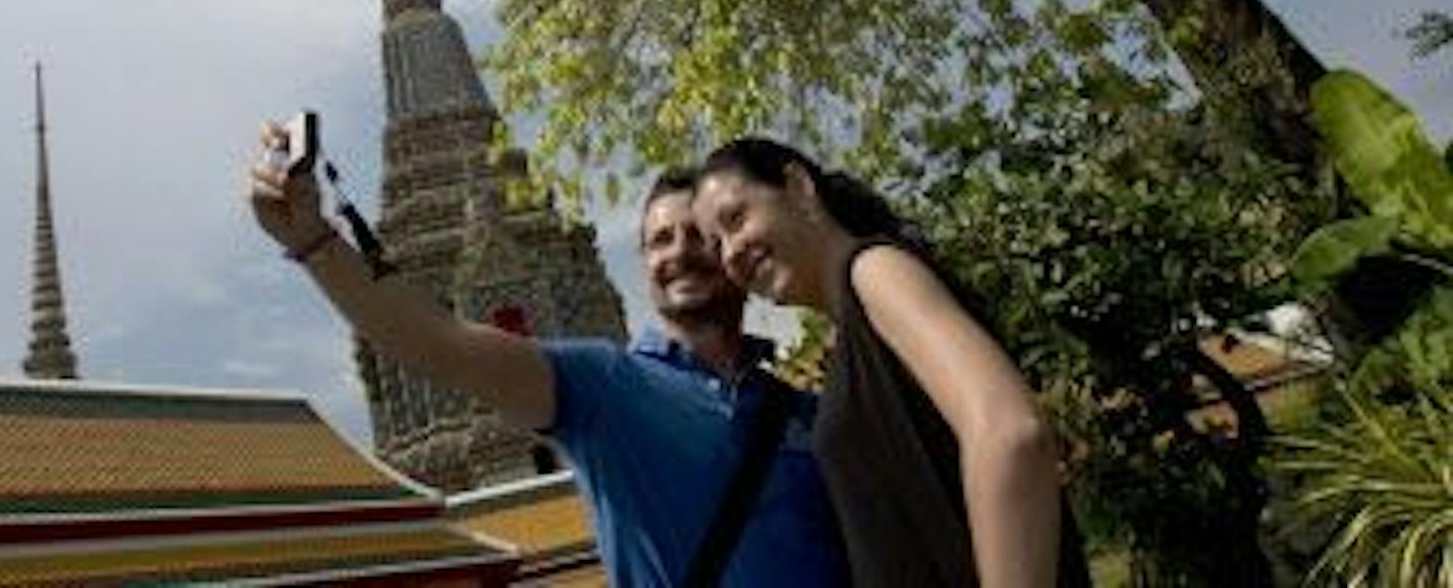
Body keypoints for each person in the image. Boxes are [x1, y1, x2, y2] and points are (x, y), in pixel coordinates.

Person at [248, 125, 849, 587]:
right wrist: (316, 243)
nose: (680, 252)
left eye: (699, 236)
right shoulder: (606, 384)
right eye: (661, 239)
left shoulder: (804, 410)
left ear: (734, 253)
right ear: (642, 263)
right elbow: (438, 341)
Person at [692, 139, 1091, 588]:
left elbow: (1010, 433)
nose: (730, 253)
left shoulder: (874, 271)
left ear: (799, 186)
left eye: (736, 219)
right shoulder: (852, 327)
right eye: (716, 244)